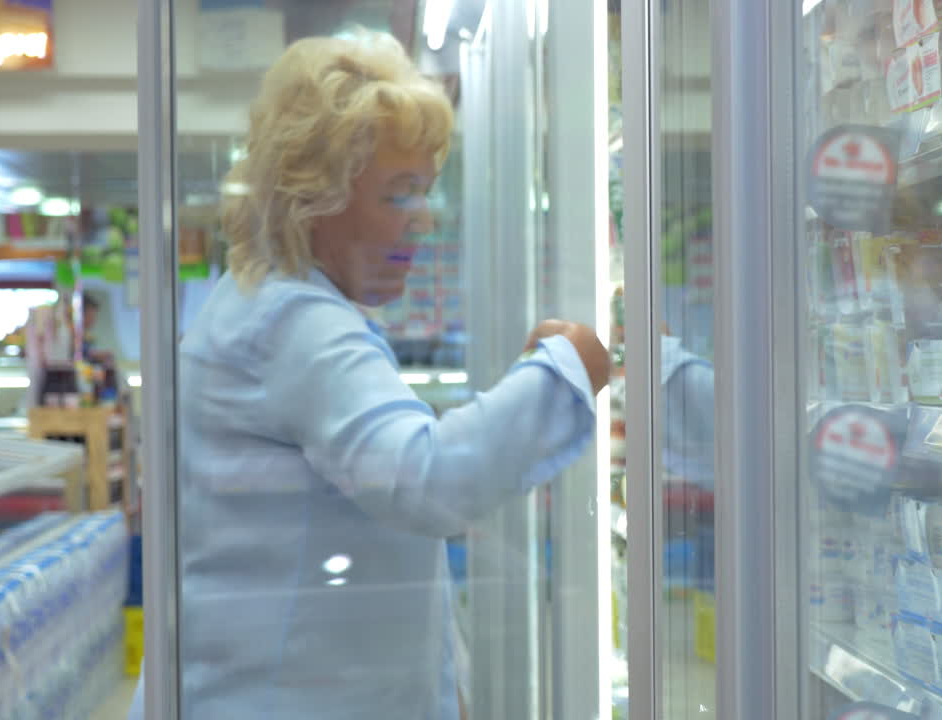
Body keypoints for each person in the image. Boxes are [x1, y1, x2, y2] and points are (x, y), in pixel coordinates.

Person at [128, 30, 609, 720]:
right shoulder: (296, 323)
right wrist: (570, 369)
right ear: (312, 198)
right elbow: (427, 479)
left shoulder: (262, 303)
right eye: (398, 194)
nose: (425, 219)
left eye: (426, 192)